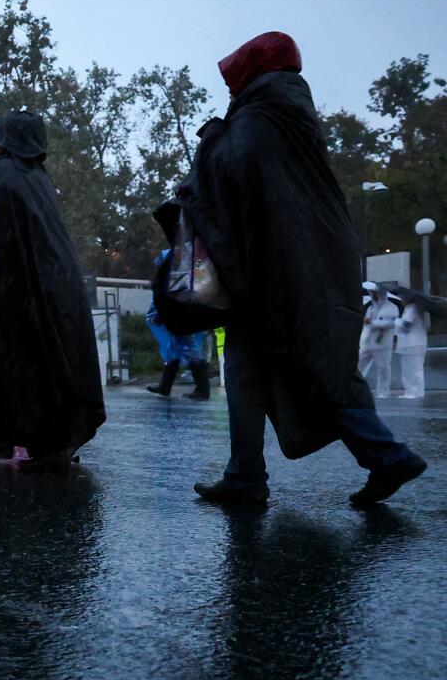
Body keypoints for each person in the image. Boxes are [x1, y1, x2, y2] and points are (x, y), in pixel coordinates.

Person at [153, 31, 426, 508]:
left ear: (251, 71)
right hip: (305, 266)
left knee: (312, 372)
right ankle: (246, 475)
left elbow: (227, 178)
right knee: (269, 367)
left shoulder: (259, 120)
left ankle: (386, 454)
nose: (228, 89)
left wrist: (213, 139)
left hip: (275, 275)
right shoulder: (292, 116)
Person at [0, 115, 104, 467]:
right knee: (37, 366)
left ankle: (46, 446)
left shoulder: (0, 176)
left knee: (3, 362)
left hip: (15, 294)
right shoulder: (37, 179)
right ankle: (9, 436)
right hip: (50, 288)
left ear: (8, 143)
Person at [145, 252, 210, 399]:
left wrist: (160, 315)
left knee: (189, 349)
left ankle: (202, 388)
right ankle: (165, 386)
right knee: (176, 348)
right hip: (180, 317)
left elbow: (173, 297)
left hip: (181, 317)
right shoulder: (183, 270)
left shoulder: (178, 274)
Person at [358, 283, 398, 398]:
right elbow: (366, 325)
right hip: (368, 343)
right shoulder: (371, 308)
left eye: (375, 293)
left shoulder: (392, 308)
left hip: (383, 344)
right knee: (358, 364)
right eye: (372, 293)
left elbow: (390, 323)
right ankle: (358, 388)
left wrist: (372, 323)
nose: (373, 295)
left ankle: (383, 392)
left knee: (383, 368)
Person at [395, 290, 432, 399]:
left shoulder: (414, 309)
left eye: (403, 299)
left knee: (415, 369)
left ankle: (417, 392)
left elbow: (406, 325)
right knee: (407, 370)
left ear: (408, 299)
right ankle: (409, 391)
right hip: (407, 345)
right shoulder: (408, 309)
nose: (402, 301)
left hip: (415, 344)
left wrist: (396, 321)